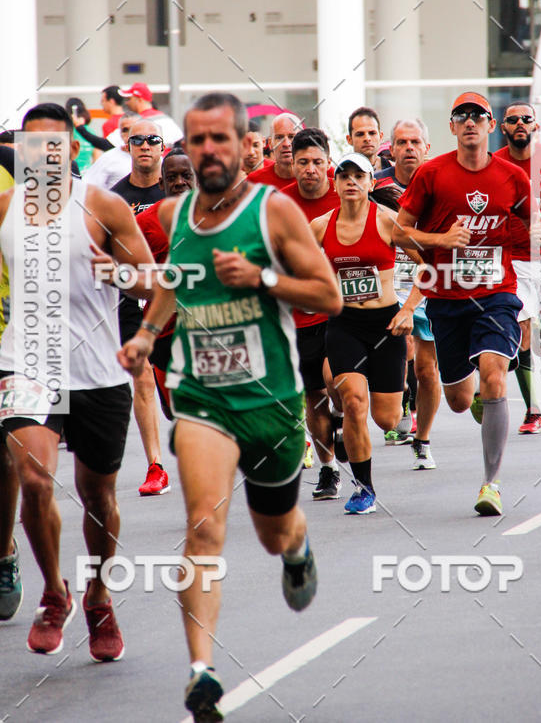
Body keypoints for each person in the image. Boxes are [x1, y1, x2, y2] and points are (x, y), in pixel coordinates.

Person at [117, 92, 341, 721]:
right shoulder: (173, 213)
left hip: (270, 399)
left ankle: (296, 547)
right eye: (197, 139)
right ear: (184, 149)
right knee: (203, 526)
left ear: (248, 147)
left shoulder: (275, 213)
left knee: (273, 532)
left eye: (221, 138)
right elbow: (171, 280)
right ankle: (202, 671)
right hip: (202, 398)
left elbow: (329, 294)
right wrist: (143, 334)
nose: (208, 149)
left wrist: (262, 279)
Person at [0, 102, 153, 657]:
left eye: (53, 144)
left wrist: (122, 273)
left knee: (98, 496)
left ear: (71, 150)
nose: (42, 154)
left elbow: (150, 283)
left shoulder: (103, 206)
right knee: (35, 480)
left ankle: (98, 595)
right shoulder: (5, 208)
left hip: (96, 372)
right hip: (26, 364)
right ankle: (52, 593)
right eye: (31, 144)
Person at [395, 92, 533, 516]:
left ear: (492, 127)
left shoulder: (512, 177)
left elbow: (531, 232)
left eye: (479, 116)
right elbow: (400, 233)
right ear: (452, 127)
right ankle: (470, 396)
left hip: (496, 294)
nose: (470, 121)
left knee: (495, 376)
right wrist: (441, 241)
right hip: (447, 299)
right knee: (458, 398)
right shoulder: (432, 175)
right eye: (461, 116)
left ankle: (490, 484)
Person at [311, 153, 408, 515]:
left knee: (386, 419)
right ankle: (363, 487)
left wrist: (409, 310)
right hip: (344, 324)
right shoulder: (320, 226)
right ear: (334, 184)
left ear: (370, 183)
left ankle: (401, 393)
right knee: (353, 400)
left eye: (358, 176)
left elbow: (429, 265)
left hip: (386, 324)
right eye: (344, 176)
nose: (351, 182)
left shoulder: (388, 222)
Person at [375, 119, 441, 469]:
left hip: (427, 281)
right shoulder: (375, 185)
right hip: (386, 287)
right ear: (392, 148)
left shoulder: (441, 183)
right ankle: (397, 400)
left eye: (416, 141)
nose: (409, 148)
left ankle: (423, 438)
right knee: (401, 348)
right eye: (402, 142)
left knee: (429, 371)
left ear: (426, 147)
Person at [281, 128, 342, 499]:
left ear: (328, 163)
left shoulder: (345, 193)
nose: (310, 169)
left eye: (317, 162)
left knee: (337, 383)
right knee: (314, 396)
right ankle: (329, 469)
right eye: (302, 162)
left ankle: (343, 420)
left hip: (340, 314)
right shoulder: (280, 205)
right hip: (297, 318)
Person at [494, 103, 541, 434]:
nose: (520, 123)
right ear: (503, 127)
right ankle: (533, 410)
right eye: (513, 120)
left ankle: (513, 362)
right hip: (514, 260)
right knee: (521, 330)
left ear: (536, 125)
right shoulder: (495, 164)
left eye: (526, 119)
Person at [111, 120, 169, 496]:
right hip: (134, 300)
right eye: (137, 140)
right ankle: (155, 466)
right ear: (126, 146)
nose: (145, 145)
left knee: (176, 401)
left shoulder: (178, 185)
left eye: (153, 140)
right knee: (142, 377)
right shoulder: (115, 198)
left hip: (182, 300)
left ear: (163, 147)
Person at [135, 148, 196, 424]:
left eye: (187, 175)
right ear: (161, 184)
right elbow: (128, 270)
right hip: (164, 331)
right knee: (174, 411)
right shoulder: (145, 223)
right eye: (172, 177)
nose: (180, 182)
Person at [246, 112, 303, 189]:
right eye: (279, 138)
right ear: (270, 143)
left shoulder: (315, 178)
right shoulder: (254, 181)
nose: (286, 144)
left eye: (291, 137)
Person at [119, 82, 183, 147]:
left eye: (129, 99)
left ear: (139, 100)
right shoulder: (166, 118)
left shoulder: (139, 121)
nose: (126, 103)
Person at [82, 113, 134, 191]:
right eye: (125, 130)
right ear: (119, 133)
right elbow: (86, 189)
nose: (130, 134)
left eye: (134, 129)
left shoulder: (155, 157)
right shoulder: (108, 158)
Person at [346, 107, 390, 172]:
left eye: (372, 133)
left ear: (380, 136)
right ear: (349, 139)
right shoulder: (340, 173)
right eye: (360, 134)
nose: (367, 138)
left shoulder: (396, 172)